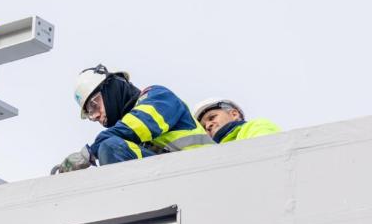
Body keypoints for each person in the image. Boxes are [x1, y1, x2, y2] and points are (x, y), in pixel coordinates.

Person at [52, 65, 213, 174]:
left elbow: (139, 125)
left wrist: (89, 153)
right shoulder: (130, 142)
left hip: (203, 171)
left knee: (111, 147)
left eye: (94, 106)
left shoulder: (158, 96)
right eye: (90, 114)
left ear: (111, 90)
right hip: (178, 176)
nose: (96, 116)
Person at [192, 98, 280, 143]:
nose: (208, 126)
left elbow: (266, 148)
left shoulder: (256, 127)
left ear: (234, 114)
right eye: (203, 127)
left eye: (212, 118)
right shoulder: (209, 152)